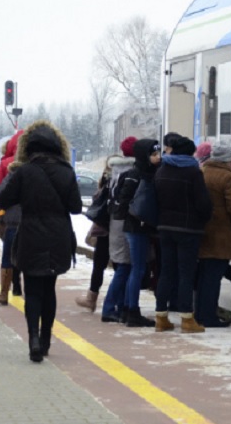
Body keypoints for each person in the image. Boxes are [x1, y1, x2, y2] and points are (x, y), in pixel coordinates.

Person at [0, 119, 82, 362]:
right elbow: (76, 207)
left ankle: (33, 338)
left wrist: (14, 172)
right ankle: (45, 340)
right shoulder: (66, 171)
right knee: (49, 289)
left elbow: (2, 198)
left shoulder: (23, 171)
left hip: (31, 235)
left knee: (32, 290)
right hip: (58, 236)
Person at [153, 136, 213, 333]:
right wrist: (203, 218)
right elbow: (203, 204)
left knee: (166, 272)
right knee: (186, 273)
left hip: (165, 228)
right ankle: (187, 320)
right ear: (189, 153)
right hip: (188, 230)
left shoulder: (162, 169)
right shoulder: (193, 172)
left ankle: (161, 318)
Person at [196, 143, 231, 327]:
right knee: (213, 278)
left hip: (204, 233)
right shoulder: (228, 177)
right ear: (229, 160)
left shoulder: (203, 172)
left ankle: (200, 314)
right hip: (221, 234)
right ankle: (209, 317)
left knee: (204, 277)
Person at [114, 138, 161, 327]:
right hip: (137, 227)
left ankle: (127, 309)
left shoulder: (141, 172)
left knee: (137, 268)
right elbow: (124, 201)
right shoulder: (139, 174)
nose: (158, 157)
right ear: (144, 155)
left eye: (158, 153)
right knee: (138, 269)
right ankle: (132, 310)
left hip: (137, 226)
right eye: (154, 154)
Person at [101, 138, 136, 323]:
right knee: (124, 267)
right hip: (123, 224)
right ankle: (109, 307)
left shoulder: (114, 171)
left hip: (114, 222)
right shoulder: (131, 172)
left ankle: (119, 306)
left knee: (123, 266)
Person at [74, 158, 114, 312]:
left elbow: (97, 200)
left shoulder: (107, 179)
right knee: (119, 265)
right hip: (115, 228)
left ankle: (92, 298)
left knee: (100, 264)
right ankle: (117, 298)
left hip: (104, 228)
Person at [0, 130, 24, 303]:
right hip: (33, 218)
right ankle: (25, 289)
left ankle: (4, 292)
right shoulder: (37, 165)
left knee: (8, 253)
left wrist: (1, 208)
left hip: (10, 216)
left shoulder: (6, 164)